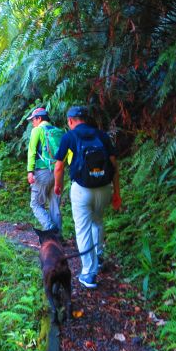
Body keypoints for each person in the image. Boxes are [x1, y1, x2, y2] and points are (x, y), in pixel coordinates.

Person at [53, 106, 122, 289]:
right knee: (97, 221)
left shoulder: (70, 136)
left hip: (82, 190)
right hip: (104, 188)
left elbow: (59, 167)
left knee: (83, 229)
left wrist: (58, 185)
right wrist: (117, 193)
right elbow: (115, 166)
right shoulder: (102, 135)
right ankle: (98, 257)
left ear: (70, 120)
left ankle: (89, 274)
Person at [26, 107, 63, 234]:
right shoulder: (58, 131)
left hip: (43, 172)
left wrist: (30, 171)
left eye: (33, 120)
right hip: (58, 172)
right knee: (55, 206)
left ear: (39, 118)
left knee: (35, 204)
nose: (32, 123)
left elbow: (31, 152)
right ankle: (58, 237)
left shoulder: (37, 130)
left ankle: (50, 228)